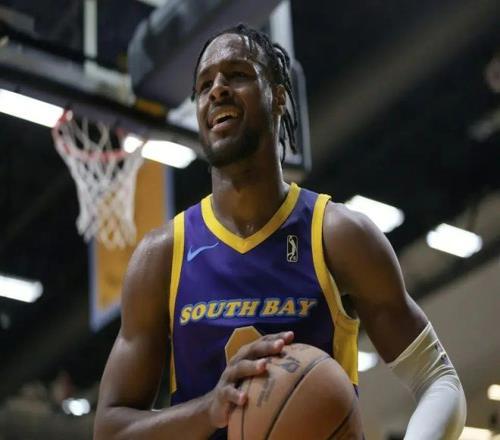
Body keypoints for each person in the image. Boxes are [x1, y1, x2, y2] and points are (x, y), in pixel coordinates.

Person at [94, 24, 466, 439]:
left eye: (237, 74)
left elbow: (438, 379)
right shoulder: (163, 255)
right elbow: (110, 430)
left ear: (278, 96)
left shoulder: (337, 234)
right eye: (203, 85)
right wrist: (209, 411)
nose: (217, 90)